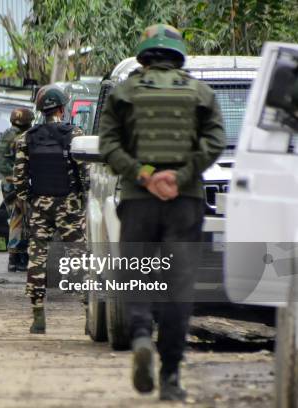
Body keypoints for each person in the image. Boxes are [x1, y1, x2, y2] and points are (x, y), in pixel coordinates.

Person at [98, 24, 226, 401]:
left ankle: (140, 336)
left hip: (139, 200)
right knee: (178, 287)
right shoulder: (200, 92)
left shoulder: (124, 91)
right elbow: (216, 140)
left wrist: (145, 174)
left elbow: (108, 144)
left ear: (144, 54)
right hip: (184, 201)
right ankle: (170, 377)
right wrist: (180, 175)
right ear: (178, 54)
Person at [13, 85, 88, 334]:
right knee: (81, 258)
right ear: (62, 108)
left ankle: (38, 316)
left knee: (37, 259)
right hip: (69, 206)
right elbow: (85, 175)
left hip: (40, 207)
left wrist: (30, 204)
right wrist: (82, 200)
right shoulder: (74, 134)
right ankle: (90, 312)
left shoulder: (27, 138)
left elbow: (20, 180)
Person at [0, 107, 34, 273]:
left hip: (6, 183)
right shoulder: (21, 138)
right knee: (20, 220)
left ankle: (16, 258)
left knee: (14, 218)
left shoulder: (5, 135)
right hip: (17, 184)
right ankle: (16, 257)